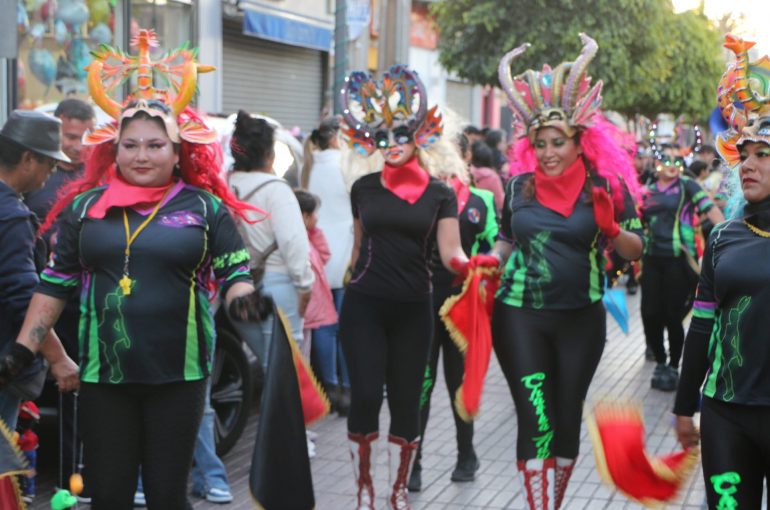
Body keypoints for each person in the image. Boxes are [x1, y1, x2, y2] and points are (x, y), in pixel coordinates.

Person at [0, 30, 266, 510]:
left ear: (178, 150)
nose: (142, 156)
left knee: (167, 497)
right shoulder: (85, 209)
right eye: (131, 145)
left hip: (179, 378)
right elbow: (54, 285)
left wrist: (243, 299)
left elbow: (233, 272)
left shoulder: (204, 208)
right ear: (114, 149)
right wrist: (23, 349)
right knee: (110, 499)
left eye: (155, 145)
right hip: (105, 380)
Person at [491, 34, 645, 509]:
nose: (549, 152)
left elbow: (637, 250)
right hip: (520, 315)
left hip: (581, 317)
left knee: (566, 417)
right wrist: (485, 265)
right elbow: (505, 239)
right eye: (540, 144)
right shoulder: (518, 187)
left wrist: (611, 227)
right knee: (535, 420)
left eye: (558, 142)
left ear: (581, 140)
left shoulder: (607, 186)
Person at [338, 65, 495, 510]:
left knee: (408, 403)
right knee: (366, 397)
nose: (391, 146)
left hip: (414, 309)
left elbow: (450, 253)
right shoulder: (363, 189)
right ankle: (365, 493)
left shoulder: (440, 195)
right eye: (383, 137)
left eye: (401, 136)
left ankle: (396, 491)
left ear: (420, 137)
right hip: (364, 305)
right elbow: (357, 250)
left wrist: (474, 264)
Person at [675, 35, 770, 509]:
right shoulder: (724, 236)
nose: (747, 164)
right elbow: (703, 327)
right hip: (725, 413)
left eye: (762, 154)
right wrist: (682, 406)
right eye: (744, 153)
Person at [408, 133, 499, 492]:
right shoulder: (416, 196)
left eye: (451, 152)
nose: (443, 159)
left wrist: (487, 270)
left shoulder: (483, 200)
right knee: (421, 386)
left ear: (465, 155)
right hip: (422, 305)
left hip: (464, 307)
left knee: (459, 385)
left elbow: (495, 247)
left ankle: (466, 454)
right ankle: (413, 462)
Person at [23, 97, 96, 502]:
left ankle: (72, 479)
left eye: (84, 137)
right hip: (32, 298)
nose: (77, 145)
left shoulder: (97, 175)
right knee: (28, 394)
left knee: (75, 392)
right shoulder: (36, 178)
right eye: (70, 136)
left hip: (79, 303)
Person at [0, 110, 79, 429]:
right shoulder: (12, 217)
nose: (53, 170)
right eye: (49, 161)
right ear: (28, 159)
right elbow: (25, 299)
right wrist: (58, 358)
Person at [228, 111, 314, 370]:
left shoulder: (223, 184)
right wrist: (305, 286)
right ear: (268, 154)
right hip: (276, 284)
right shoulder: (276, 189)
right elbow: (293, 243)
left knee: (265, 361)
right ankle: (281, 412)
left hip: (233, 288)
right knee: (284, 368)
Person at [640, 145, 724, 391]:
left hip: (679, 259)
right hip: (651, 259)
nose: (671, 166)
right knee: (649, 314)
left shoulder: (688, 186)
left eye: (677, 162)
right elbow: (635, 222)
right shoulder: (648, 191)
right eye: (666, 161)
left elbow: (712, 211)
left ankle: (674, 364)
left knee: (672, 315)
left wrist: (729, 238)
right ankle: (660, 359)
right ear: (657, 164)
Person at [302, 117, 352, 415]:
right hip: (345, 253)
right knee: (344, 326)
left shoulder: (310, 167)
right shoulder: (346, 166)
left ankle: (330, 387)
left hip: (317, 254)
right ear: (336, 139)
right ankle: (347, 389)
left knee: (323, 323)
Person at [469, 140, 505, 214]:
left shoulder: (468, 173)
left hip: (471, 211)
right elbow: (500, 201)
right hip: (489, 212)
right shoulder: (492, 176)